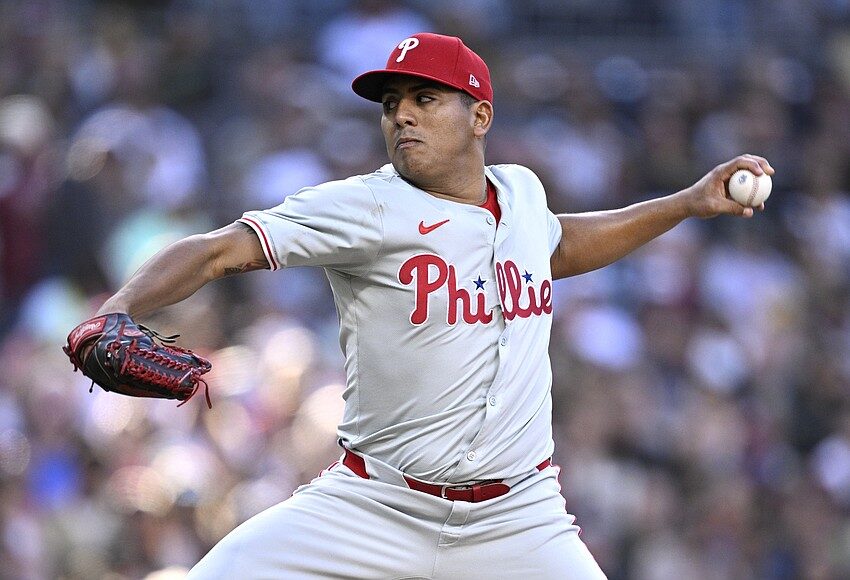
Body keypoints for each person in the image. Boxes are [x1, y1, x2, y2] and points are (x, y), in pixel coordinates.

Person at [85, 33, 772, 579]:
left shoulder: (522, 194)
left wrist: (686, 203)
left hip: (518, 517)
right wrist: (119, 305)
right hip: (376, 504)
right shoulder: (365, 205)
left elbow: (559, 245)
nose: (402, 115)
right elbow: (218, 250)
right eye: (390, 104)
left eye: (424, 98)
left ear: (480, 116)